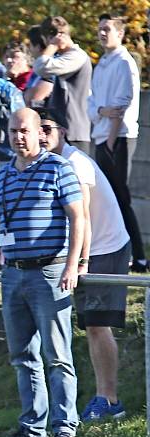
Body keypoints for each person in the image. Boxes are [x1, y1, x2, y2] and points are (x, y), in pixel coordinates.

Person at [0, 108, 84, 437]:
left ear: (40, 133)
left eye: (25, 130)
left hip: (49, 271)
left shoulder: (59, 168)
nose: (18, 137)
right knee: (23, 356)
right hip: (13, 272)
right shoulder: (3, 174)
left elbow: (78, 217)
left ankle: (65, 428)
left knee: (58, 354)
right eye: (13, 131)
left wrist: (72, 263)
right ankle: (33, 429)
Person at [38, 109, 131, 422]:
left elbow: (84, 219)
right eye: (35, 129)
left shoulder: (75, 163)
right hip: (78, 250)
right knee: (87, 327)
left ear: (63, 131)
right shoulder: (44, 164)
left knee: (96, 324)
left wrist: (81, 261)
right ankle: (95, 397)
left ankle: (110, 400)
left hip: (105, 248)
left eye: (46, 128)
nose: (40, 135)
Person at [87, 13, 146, 273]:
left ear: (120, 33)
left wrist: (111, 139)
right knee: (109, 198)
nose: (102, 33)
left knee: (121, 197)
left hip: (118, 138)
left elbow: (122, 104)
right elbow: (92, 106)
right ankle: (121, 254)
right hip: (101, 136)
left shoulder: (124, 62)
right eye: (100, 29)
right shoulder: (101, 63)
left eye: (107, 29)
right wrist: (101, 112)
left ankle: (139, 256)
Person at [34, 16, 92, 155]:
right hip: (64, 129)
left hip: (74, 132)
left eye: (47, 40)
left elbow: (40, 67)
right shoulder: (65, 57)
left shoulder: (76, 57)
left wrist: (52, 46)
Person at [23, 26, 55, 107]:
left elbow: (33, 100)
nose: (29, 49)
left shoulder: (49, 69)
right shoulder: (39, 68)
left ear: (37, 47)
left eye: (30, 45)